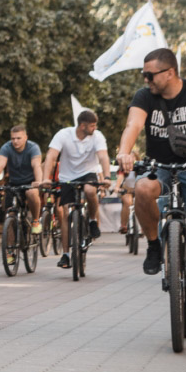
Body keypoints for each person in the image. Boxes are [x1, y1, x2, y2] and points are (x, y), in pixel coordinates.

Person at [115, 47, 186, 328]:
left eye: (150, 75)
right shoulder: (144, 97)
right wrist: (124, 152)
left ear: (169, 73)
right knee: (143, 189)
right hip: (159, 167)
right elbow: (133, 124)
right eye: (144, 75)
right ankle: (155, 246)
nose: (146, 80)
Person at [42, 109, 111, 269]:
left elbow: (103, 156)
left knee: (89, 191)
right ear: (82, 126)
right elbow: (51, 156)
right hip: (67, 176)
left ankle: (93, 221)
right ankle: (66, 255)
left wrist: (107, 177)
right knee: (65, 212)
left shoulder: (97, 136)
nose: (95, 128)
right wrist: (46, 178)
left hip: (89, 172)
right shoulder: (64, 135)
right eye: (92, 126)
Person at [0, 125, 44, 236]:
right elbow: (0, 165)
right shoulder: (6, 147)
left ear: (26, 137)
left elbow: (36, 165)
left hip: (30, 182)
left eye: (18, 138)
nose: (15, 141)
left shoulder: (33, 147)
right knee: (10, 214)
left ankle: (36, 221)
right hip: (13, 183)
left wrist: (38, 181)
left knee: (31, 193)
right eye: (13, 138)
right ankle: (10, 250)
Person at [113, 151, 138, 234]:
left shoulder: (140, 168)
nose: (130, 160)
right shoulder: (123, 169)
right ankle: (123, 225)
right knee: (127, 202)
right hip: (126, 190)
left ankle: (143, 227)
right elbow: (120, 178)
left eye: (132, 157)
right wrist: (117, 187)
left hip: (137, 190)